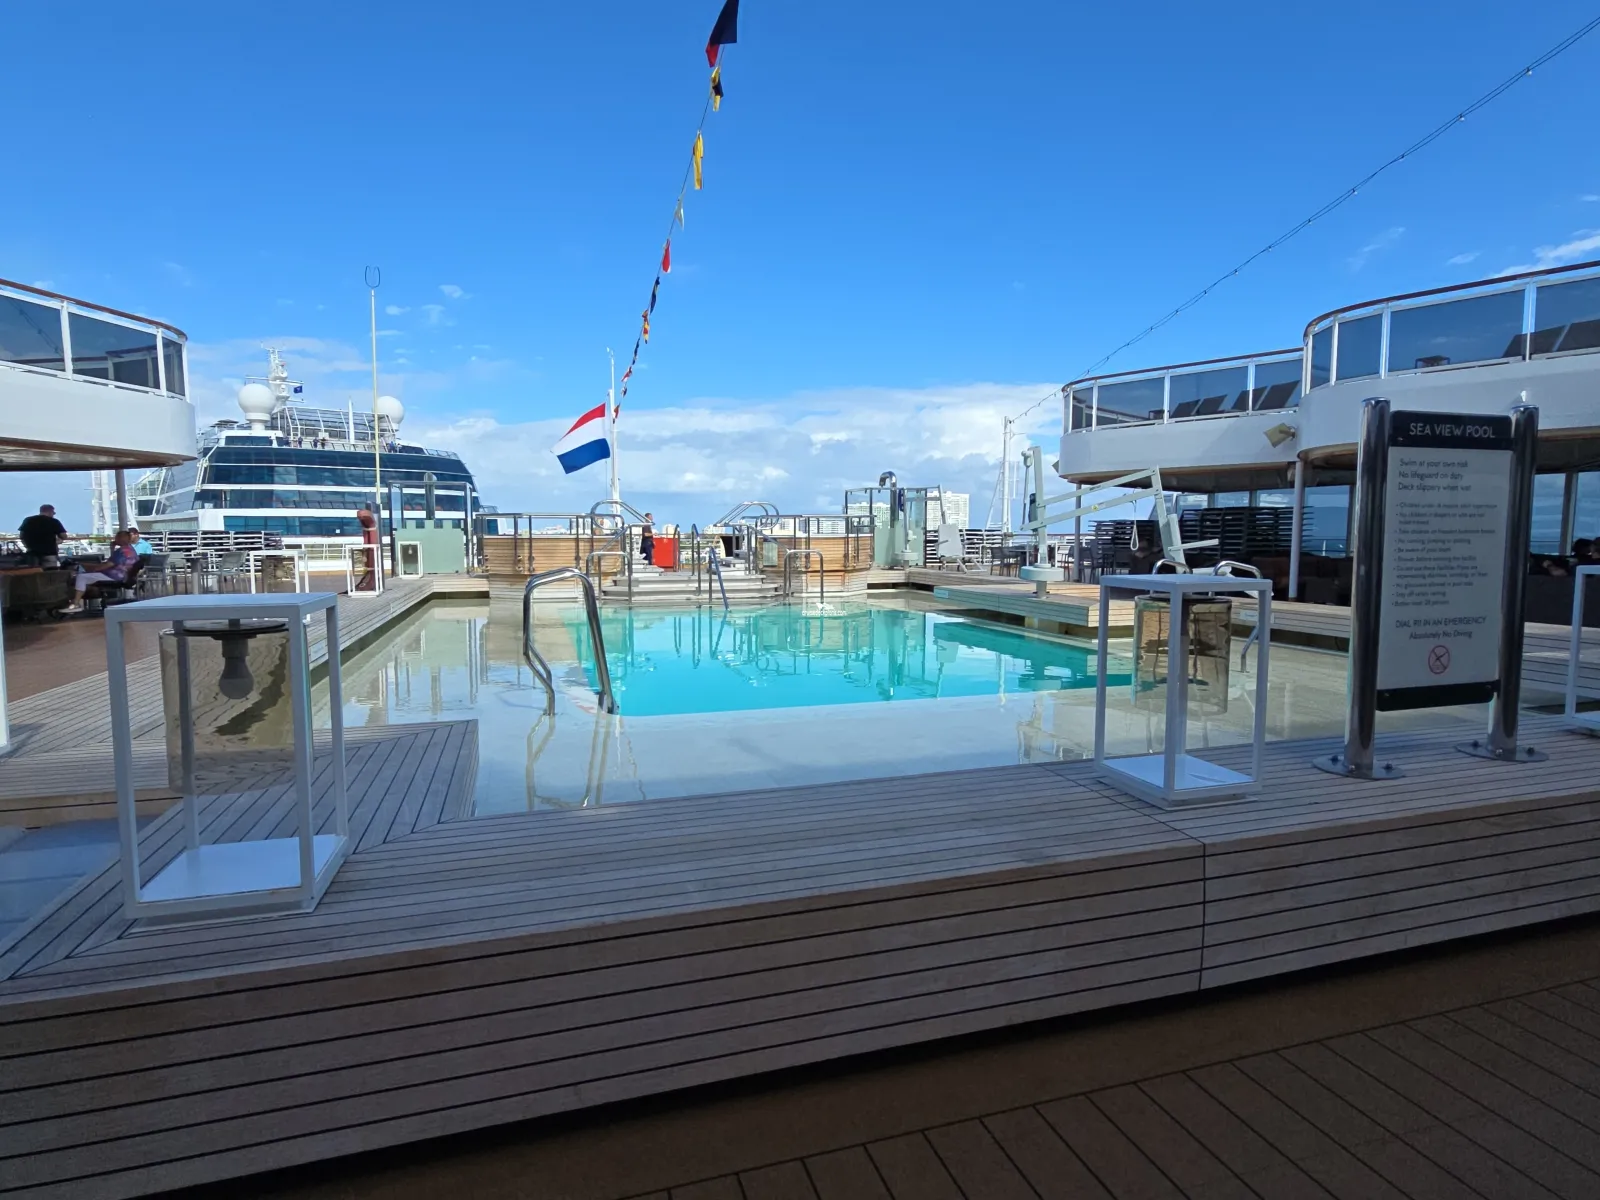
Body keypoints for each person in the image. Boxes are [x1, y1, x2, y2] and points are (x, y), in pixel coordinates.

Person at [61, 530, 137, 614]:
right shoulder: (131, 550)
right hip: (123, 576)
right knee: (86, 574)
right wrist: (112, 548)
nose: (115, 539)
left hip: (113, 576)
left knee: (81, 577)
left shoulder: (121, 551)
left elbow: (107, 565)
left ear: (121, 538)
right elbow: (115, 562)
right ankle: (77, 601)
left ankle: (75, 604)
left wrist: (93, 569)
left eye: (116, 537)